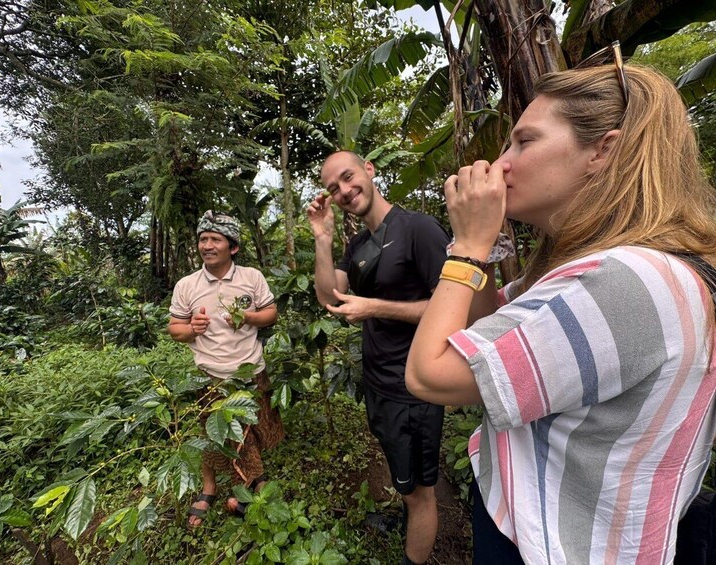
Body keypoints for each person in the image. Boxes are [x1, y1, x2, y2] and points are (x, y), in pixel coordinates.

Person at [405, 62, 716, 564]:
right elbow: (487, 328)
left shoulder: (627, 280)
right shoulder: (616, 267)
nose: (502, 163)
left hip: (550, 547)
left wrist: (465, 247)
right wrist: (485, 249)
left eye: (523, 142)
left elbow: (429, 373)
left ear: (603, 150)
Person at [307, 151, 451, 565]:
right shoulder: (358, 244)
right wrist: (322, 239)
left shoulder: (418, 229)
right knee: (403, 476)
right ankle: (404, 516)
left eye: (348, 177)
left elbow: (451, 307)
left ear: (369, 170)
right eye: (333, 188)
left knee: (421, 493)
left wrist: (375, 308)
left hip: (413, 388)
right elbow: (329, 297)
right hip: (379, 382)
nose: (344, 190)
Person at [168, 210, 284, 528]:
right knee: (213, 433)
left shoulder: (251, 278)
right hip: (210, 375)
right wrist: (191, 329)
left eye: (215, 239)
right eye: (203, 239)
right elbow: (175, 329)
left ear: (232, 247)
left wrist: (249, 317)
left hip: (250, 370)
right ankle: (211, 487)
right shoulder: (187, 285)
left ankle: (252, 480)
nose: (207, 245)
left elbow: (271, 313)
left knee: (250, 430)